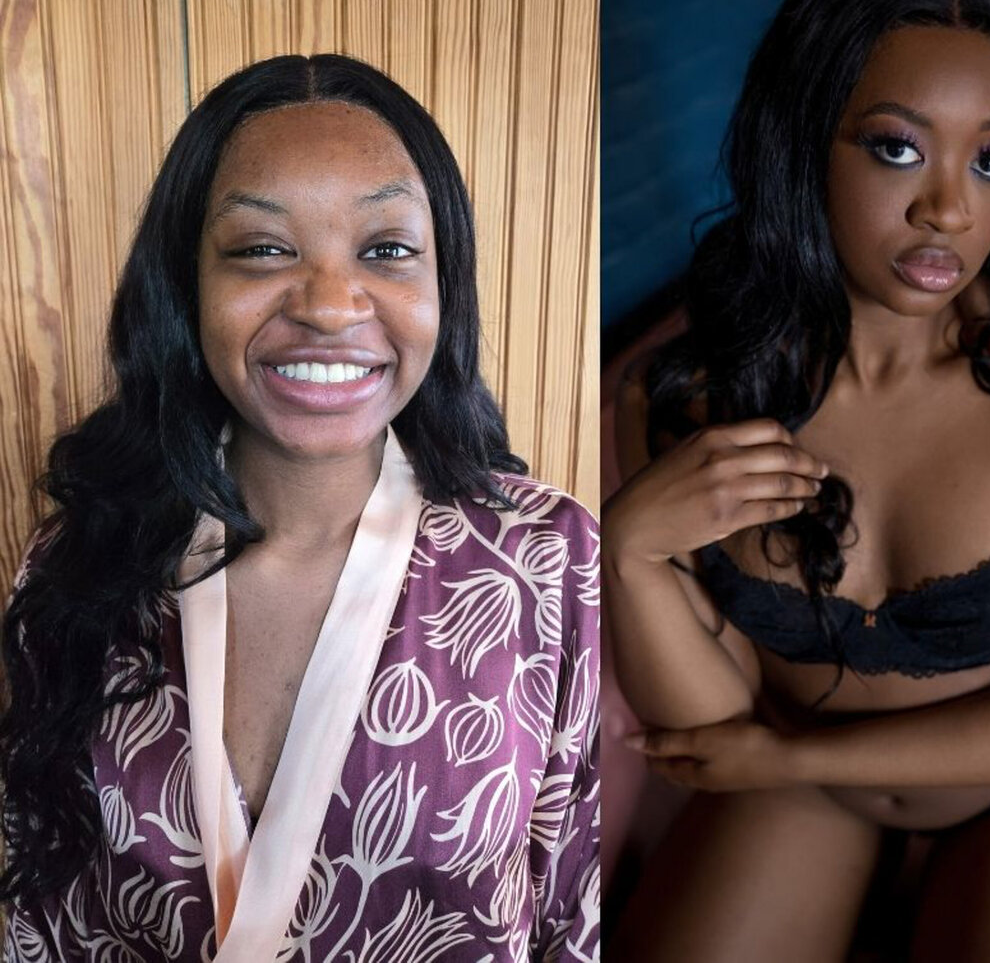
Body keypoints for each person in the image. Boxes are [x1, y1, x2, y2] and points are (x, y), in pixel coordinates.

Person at [603, 0, 990, 959]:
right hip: (797, 781)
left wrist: (785, 758)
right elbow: (713, 723)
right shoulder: (684, 393)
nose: (950, 211)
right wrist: (631, 550)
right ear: (805, 145)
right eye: (899, 149)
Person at [1, 54, 598, 962]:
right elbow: (32, 911)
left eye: (387, 250)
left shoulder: (547, 561)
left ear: (447, 285)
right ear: (187, 286)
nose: (328, 306)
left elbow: (575, 913)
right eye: (263, 249)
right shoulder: (77, 561)